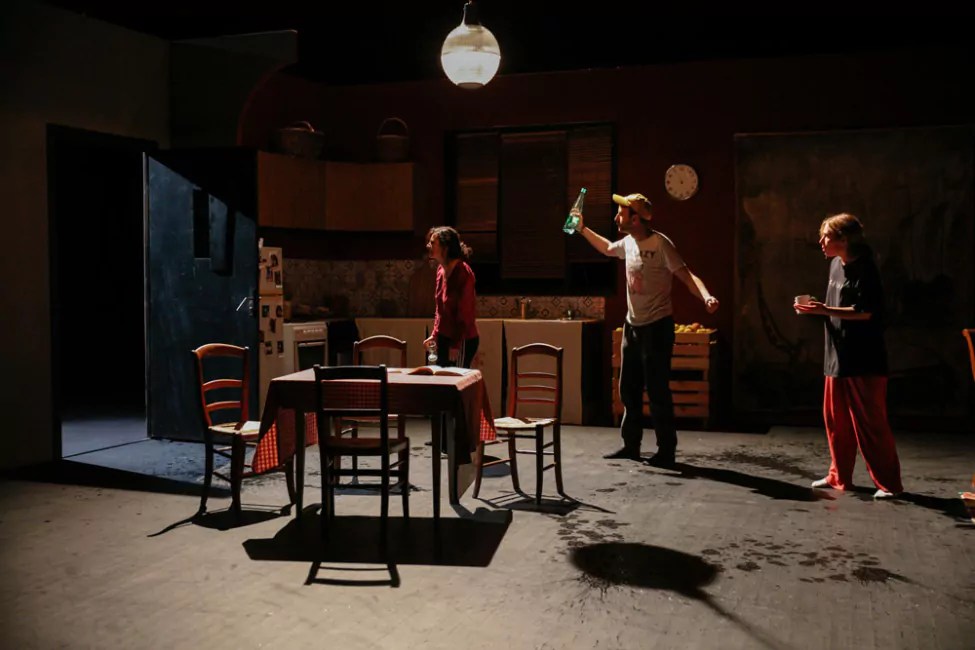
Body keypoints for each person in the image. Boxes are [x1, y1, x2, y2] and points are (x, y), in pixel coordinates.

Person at [572, 192, 719, 467]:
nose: (616, 217)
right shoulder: (628, 242)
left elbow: (686, 275)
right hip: (633, 326)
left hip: (657, 327)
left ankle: (666, 450)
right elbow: (607, 248)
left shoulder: (661, 244)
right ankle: (631, 445)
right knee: (628, 389)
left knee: (657, 390)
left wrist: (706, 296)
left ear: (636, 219)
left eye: (621, 213)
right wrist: (582, 229)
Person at [794, 213, 903, 499]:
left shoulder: (865, 268)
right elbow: (837, 305)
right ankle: (838, 476)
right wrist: (817, 308)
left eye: (826, 236)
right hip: (837, 354)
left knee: (870, 424)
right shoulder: (835, 265)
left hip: (864, 358)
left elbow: (866, 312)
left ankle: (889, 484)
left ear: (843, 239)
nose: (821, 241)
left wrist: (823, 310)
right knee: (836, 421)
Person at [422, 226, 480, 368]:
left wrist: (455, 344)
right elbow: (440, 309)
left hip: (462, 339)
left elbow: (464, 312)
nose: (428, 245)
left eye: (433, 243)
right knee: (441, 376)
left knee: (456, 377)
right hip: (445, 337)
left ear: (445, 248)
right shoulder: (440, 270)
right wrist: (435, 334)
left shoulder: (463, 272)